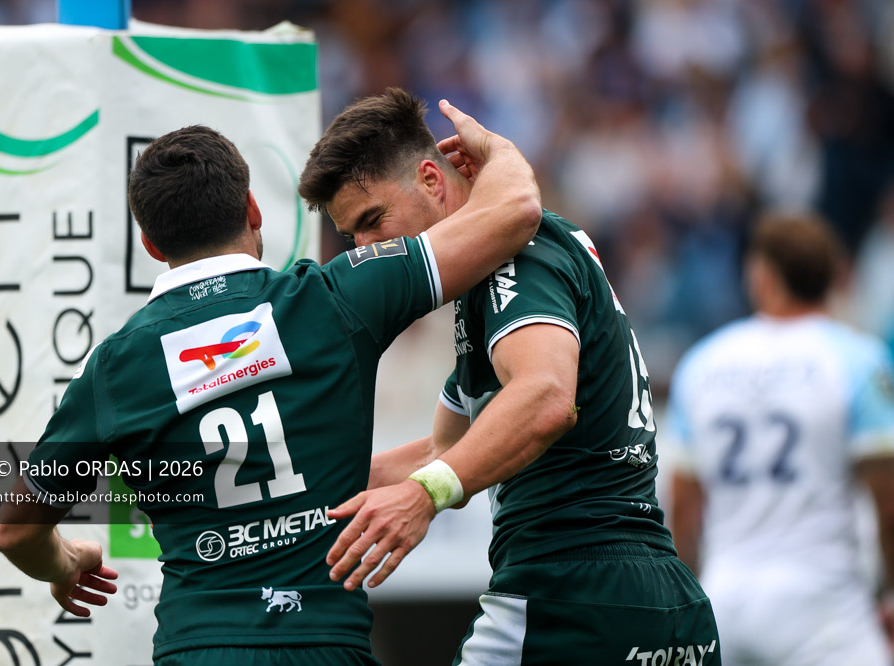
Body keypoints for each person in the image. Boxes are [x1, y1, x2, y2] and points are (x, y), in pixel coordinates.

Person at [0, 100, 542, 666]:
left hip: (197, 648)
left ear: (152, 246)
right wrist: (495, 148)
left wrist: (65, 564)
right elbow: (516, 208)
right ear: (254, 211)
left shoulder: (113, 370)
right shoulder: (334, 299)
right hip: (327, 646)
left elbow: (14, 533)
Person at [299, 88, 720, 665]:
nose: (366, 250)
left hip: (571, 592)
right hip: (655, 597)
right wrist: (284, 494)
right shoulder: (489, 293)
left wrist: (424, 497)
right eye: (352, 238)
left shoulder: (516, 256)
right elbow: (445, 447)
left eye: (373, 221)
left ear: (431, 179)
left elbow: (546, 397)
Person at [665, 212, 894, 666]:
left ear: (761, 275)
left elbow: (685, 509)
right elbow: (888, 505)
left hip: (726, 596)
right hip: (823, 604)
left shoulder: (703, 362)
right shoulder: (857, 359)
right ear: (835, 275)